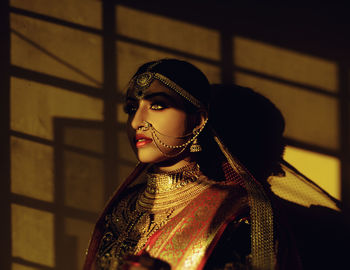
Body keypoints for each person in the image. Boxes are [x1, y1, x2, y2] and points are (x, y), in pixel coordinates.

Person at [83, 59, 347, 270]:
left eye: (158, 105)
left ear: (199, 121)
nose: (136, 122)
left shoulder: (239, 212)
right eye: (131, 108)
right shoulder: (124, 205)